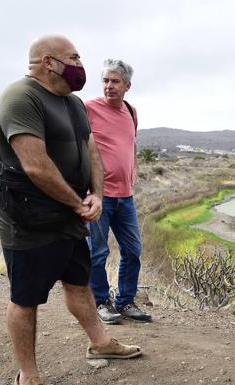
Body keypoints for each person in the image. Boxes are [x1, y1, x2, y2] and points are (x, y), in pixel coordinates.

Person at [0, 35, 142, 385]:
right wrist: (79, 203)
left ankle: (100, 342)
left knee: (78, 282)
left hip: (70, 213)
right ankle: (28, 375)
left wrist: (97, 196)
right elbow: (36, 166)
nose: (80, 66)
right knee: (25, 298)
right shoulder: (21, 97)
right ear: (48, 62)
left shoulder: (72, 103)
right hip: (28, 217)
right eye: (74, 57)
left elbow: (91, 151)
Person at [85, 59, 151, 324]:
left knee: (133, 250)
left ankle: (125, 302)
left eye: (115, 81)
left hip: (126, 196)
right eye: (105, 81)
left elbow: (131, 144)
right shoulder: (87, 108)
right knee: (97, 253)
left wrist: (133, 170)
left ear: (127, 86)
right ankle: (101, 302)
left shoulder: (130, 111)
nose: (109, 86)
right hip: (99, 195)